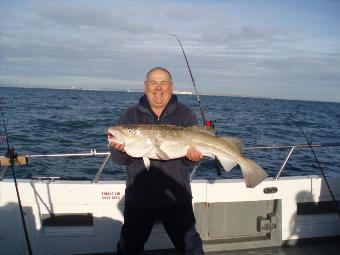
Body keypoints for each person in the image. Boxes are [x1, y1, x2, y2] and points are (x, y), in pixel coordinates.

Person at [110, 67, 205, 255]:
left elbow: (188, 163)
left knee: (191, 247)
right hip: (139, 198)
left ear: (171, 86)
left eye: (163, 83)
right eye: (153, 82)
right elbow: (118, 160)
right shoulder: (129, 116)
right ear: (145, 86)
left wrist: (192, 158)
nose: (158, 88)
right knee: (129, 247)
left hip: (176, 196)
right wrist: (121, 150)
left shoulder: (186, 114)